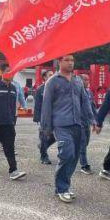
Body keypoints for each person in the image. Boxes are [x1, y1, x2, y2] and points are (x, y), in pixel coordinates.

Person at [41, 55, 95, 203]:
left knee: (75, 156)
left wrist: (92, 119)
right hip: (61, 124)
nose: (70, 63)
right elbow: (46, 105)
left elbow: (85, 102)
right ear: (59, 62)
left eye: (72, 60)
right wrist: (46, 127)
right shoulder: (52, 82)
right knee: (67, 153)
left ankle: (64, 185)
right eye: (67, 60)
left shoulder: (78, 80)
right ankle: (62, 188)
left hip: (78, 124)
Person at [33, 70, 55, 164]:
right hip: (44, 117)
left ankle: (42, 146)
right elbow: (37, 105)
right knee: (44, 136)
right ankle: (44, 157)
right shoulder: (40, 89)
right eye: (50, 75)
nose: (52, 76)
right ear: (45, 77)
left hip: (55, 116)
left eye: (53, 75)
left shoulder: (56, 88)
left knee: (55, 136)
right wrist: (38, 118)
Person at [78, 73, 97, 175]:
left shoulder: (89, 92)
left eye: (88, 80)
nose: (87, 82)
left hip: (87, 122)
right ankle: (84, 165)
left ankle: (77, 155)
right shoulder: (76, 93)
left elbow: (92, 107)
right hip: (78, 122)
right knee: (82, 143)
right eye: (85, 80)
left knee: (85, 143)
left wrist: (95, 120)